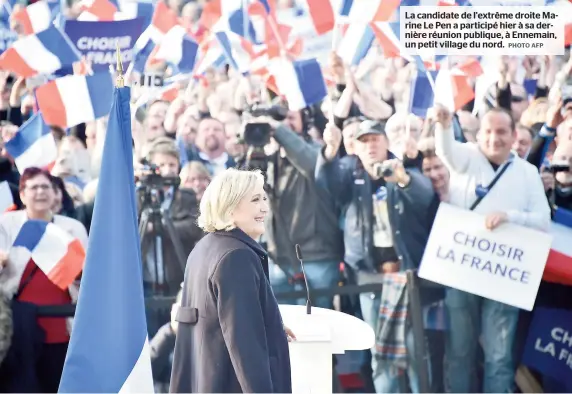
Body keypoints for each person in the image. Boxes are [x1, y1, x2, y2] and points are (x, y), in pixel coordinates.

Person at [433, 104, 551, 393]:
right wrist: (444, 126)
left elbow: (542, 220)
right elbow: (446, 150)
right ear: (479, 134)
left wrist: (511, 217)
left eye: (501, 132)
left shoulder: (527, 172)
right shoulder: (466, 159)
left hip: (504, 278)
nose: (493, 138)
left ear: (513, 136)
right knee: (460, 352)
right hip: (462, 273)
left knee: (499, 357)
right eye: (487, 131)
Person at [170, 168, 293, 393]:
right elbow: (245, 347)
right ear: (230, 207)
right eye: (255, 200)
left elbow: (214, 321)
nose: (264, 207)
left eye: (264, 198)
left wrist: (269, 324)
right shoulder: (237, 256)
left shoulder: (204, 248)